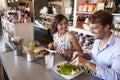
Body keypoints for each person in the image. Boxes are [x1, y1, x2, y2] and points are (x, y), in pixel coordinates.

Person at [71, 10, 120, 80]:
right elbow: (92, 55)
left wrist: (87, 63)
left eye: (95, 28)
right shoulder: (97, 40)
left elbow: (116, 76)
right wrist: (82, 55)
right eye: (90, 27)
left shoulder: (118, 47)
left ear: (106, 27)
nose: (91, 31)